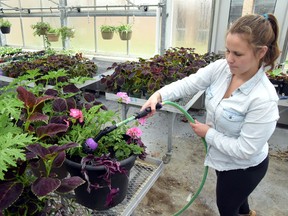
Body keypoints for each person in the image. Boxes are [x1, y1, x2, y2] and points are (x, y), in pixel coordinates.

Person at [141, 13, 280, 216]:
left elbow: (246, 150)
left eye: (238, 54)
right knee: (239, 201)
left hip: (242, 168)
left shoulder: (263, 98)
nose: (229, 59)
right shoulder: (222, 69)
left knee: (227, 207)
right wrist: (159, 95)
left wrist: (208, 134)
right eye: (227, 50)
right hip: (221, 157)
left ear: (261, 53)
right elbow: (190, 83)